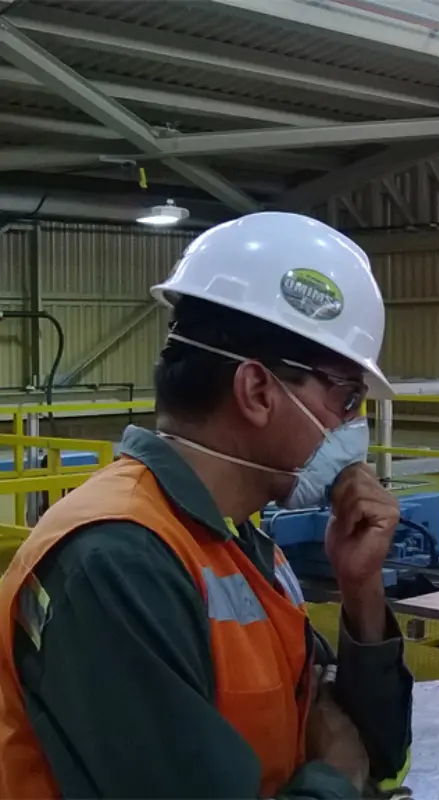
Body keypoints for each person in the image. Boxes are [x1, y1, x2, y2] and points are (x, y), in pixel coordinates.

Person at [0, 212, 414, 797]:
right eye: (346, 398)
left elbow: (378, 749)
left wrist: (361, 587)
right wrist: (337, 776)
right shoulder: (116, 564)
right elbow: (348, 758)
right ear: (257, 391)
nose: (352, 428)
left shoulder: (237, 541)